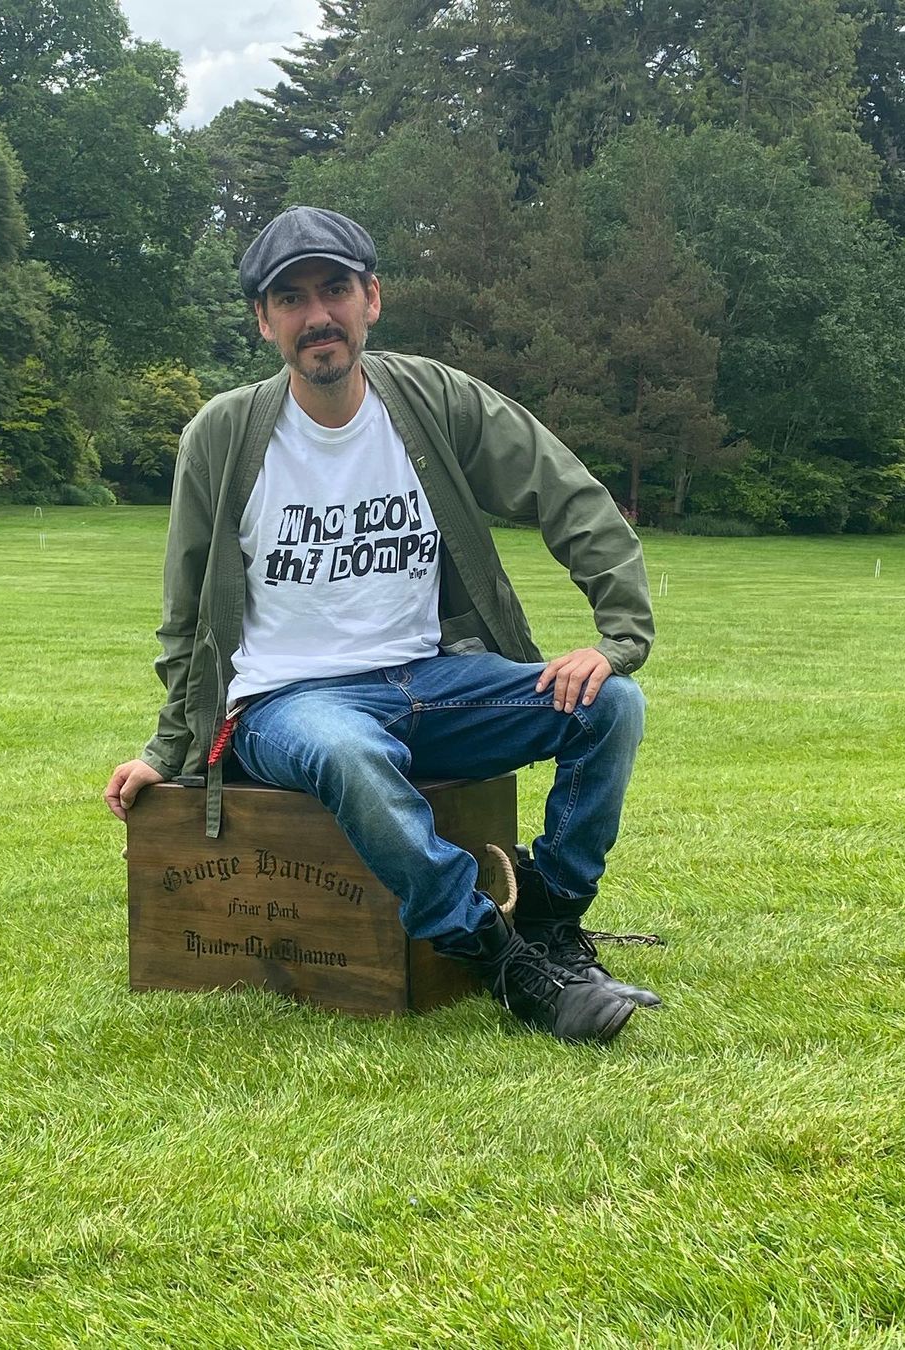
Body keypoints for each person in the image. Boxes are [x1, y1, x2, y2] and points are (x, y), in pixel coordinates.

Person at [105, 206, 657, 1044]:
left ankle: (549, 919)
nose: (315, 314)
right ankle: (498, 958)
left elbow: (569, 494)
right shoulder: (220, 435)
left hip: (427, 681)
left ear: (373, 299)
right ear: (263, 321)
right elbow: (185, 616)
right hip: (289, 707)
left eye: (335, 289)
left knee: (609, 708)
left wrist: (615, 639)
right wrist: (164, 754)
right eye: (289, 298)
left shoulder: (433, 400)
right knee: (349, 751)